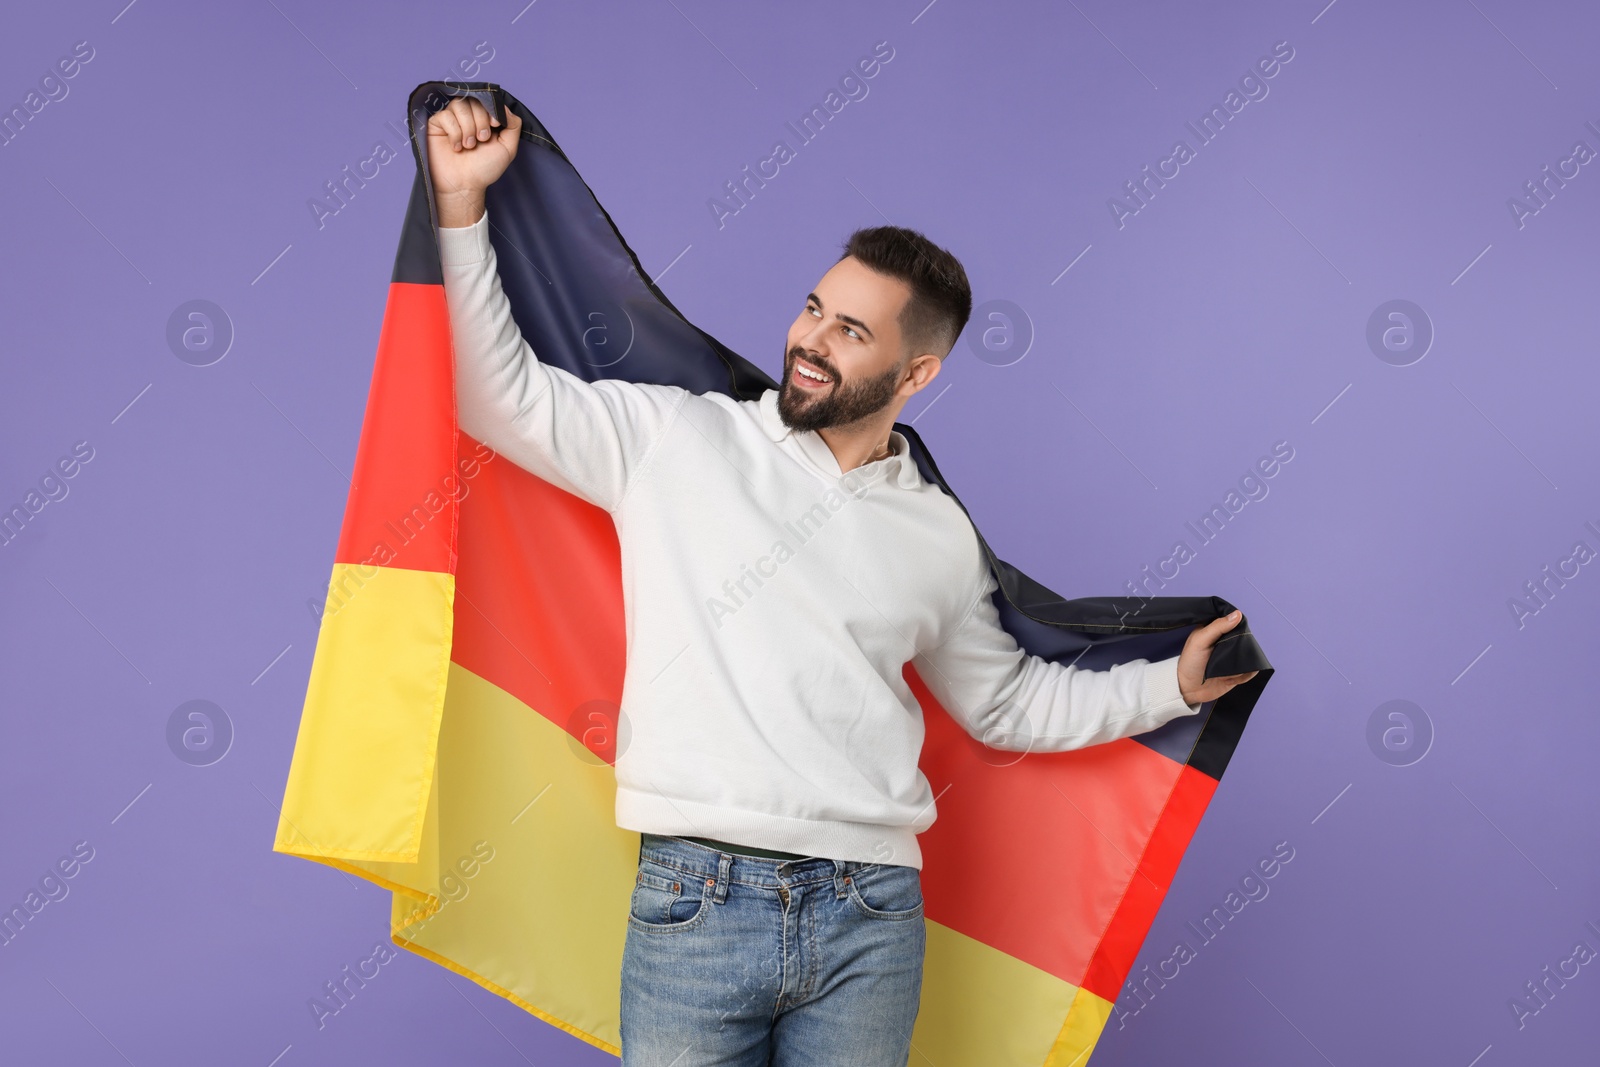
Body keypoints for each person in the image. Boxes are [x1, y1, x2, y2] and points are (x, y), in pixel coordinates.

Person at [426, 96, 1257, 1067]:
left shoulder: (938, 532)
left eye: (850, 330)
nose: (809, 338)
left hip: (871, 913)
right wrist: (460, 207)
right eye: (813, 307)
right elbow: (498, 396)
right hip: (696, 897)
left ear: (917, 370)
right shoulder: (676, 437)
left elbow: (1004, 701)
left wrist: (1171, 686)